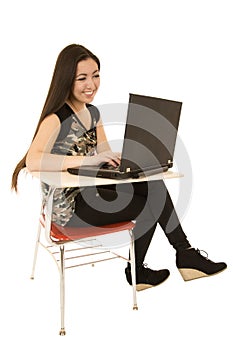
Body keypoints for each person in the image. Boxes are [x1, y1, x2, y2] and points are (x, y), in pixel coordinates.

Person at [12, 44, 227, 291]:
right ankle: (159, 263)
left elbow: (102, 152)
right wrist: (86, 161)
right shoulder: (56, 119)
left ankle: (176, 256)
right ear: (66, 80)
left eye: (95, 75)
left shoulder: (92, 114)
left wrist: (125, 159)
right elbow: (33, 160)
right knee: (153, 201)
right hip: (68, 211)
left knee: (152, 181)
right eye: (82, 78)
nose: (90, 84)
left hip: (90, 192)